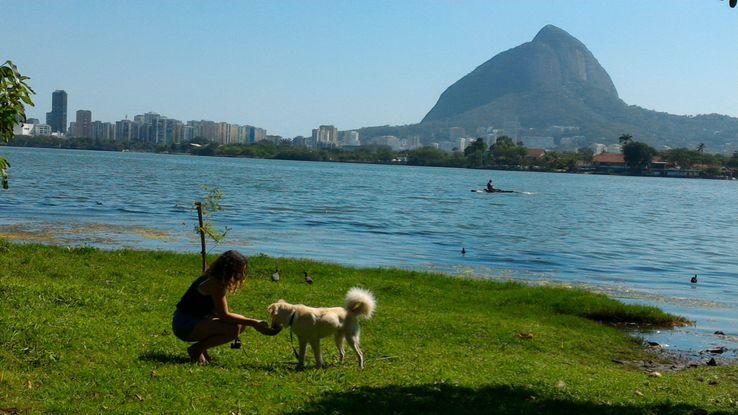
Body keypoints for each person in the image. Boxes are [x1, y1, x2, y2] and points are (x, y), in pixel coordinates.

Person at [172, 250, 272, 364]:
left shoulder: (212, 277)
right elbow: (224, 315)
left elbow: (218, 312)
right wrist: (255, 323)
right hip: (185, 325)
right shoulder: (216, 284)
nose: (242, 275)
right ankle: (196, 349)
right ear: (231, 270)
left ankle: (202, 349)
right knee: (232, 330)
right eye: (240, 271)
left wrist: (247, 322)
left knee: (241, 324)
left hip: (190, 320)